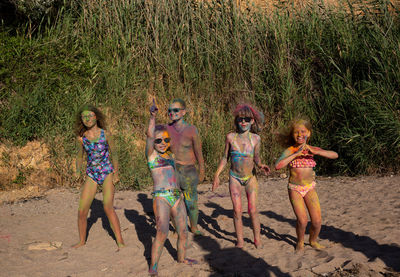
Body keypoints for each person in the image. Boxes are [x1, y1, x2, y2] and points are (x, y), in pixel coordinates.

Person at [146, 103, 197, 276]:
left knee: (183, 232)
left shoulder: (171, 156)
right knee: (162, 232)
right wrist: (152, 118)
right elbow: (149, 136)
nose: (162, 143)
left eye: (166, 140)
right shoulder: (152, 156)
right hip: (161, 198)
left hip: (177, 197)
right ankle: (153, 266)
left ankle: (182, 258)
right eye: (158, 140)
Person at [275, 118, 338, 251]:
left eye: (303, 131)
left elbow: (335, 155)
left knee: (316, 221)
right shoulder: (290, 150)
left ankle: (313, 241)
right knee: (302, 221)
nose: (299, 134)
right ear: (292, 135)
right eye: (296, 132)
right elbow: (278, 165)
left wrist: (317, 152)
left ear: (308, 133)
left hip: (309, 188)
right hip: (295, 189)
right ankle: (300, 242)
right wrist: (296, 154)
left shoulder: (312, 149)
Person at [212, 104, 270, 248]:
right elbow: (225, 158)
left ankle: (257, 239)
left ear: (252, 121)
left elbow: (256, 158)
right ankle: (240, 240)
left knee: (253, 210)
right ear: (236, 121)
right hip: (235, 177)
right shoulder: (231, 137)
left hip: (250, 177)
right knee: (237, 211)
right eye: (240, 119)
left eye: (247, 119)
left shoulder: (256, 139)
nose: (243, 122)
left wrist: (261, 165)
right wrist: (217, 175)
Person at [72, 105, 125, 249]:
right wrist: (77, 171)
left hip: (107, 171)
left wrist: (116, 173)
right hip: (91, 174)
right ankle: (82, 241)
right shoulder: (81, 138)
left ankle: (120, 242)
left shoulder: (106, 134)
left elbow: (114, 154)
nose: (87, 119)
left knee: (108, 207)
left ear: (96, 116)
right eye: (84, 117)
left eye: (90, 116)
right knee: (82, 211)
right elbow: (79, 156)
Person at [165, 99, 205, 235]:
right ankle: (178, 228)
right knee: (173, 203)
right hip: (172, 171)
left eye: (175, 110)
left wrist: (202, 170)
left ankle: (194, 227)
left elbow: (198, 152)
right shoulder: (166, 128)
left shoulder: (192, 130)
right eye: (169, 110)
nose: (172, 113)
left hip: (189, 171)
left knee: (191, 203)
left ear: (183, 112)